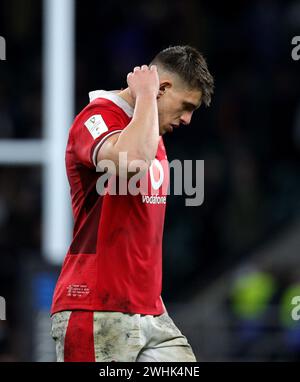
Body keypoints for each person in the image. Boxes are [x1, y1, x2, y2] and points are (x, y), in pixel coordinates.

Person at [51, 45, 214, 362]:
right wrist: (144, 97)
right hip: (96, 308)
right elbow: (133, 162)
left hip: (150, 312)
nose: (188, 119)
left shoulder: (150, 129)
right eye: (185, 106)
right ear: (161, 88)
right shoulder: (97, 117)